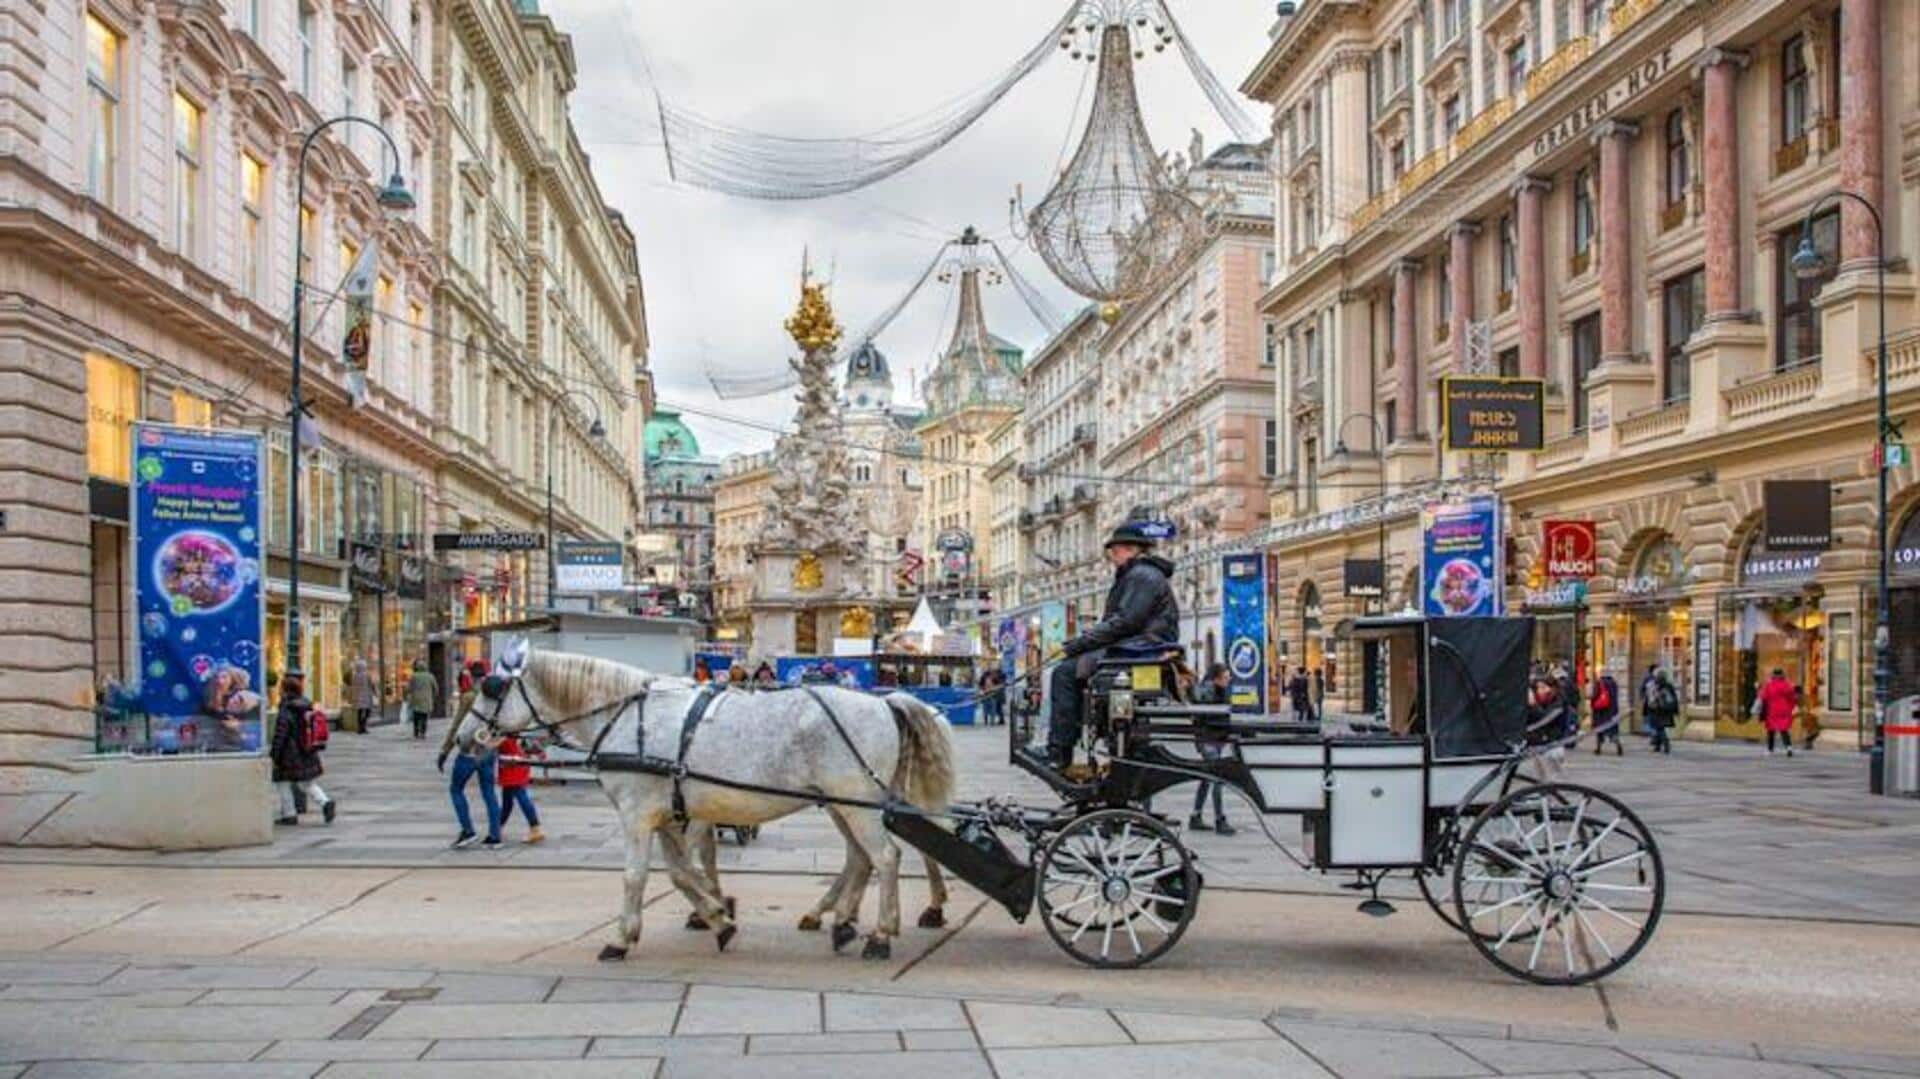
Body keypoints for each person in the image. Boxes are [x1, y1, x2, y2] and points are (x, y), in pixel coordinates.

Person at [1046, 520, 1179, 768]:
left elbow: (1125, 621)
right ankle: (1080, 741)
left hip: (1141, 647)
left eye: (1115, 551)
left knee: (1064, 673)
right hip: (1138, 644)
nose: (1112, 557)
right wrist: (1083, 643)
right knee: (1072, 668)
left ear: (1131, 549)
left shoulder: (1142, 575)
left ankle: (1059, 751)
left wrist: (1079, 644)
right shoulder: (1139, 574)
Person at [271, 671, 334, 825]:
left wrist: (274, 754)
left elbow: (281, 733)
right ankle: (325, 802)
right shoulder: (306, 704)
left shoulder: (286, 708)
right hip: (306, 750)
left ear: (284, 690)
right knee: (306, 782)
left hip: (289, 753)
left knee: (282, 782)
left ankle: (289, 814)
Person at [438, 696, 502, 848]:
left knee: (456, 789)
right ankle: (495, 836)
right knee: (489, 792)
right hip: (488, 751)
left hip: (469, 752)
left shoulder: (469, 698)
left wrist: (445, 751)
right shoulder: (497, 698)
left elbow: (457, 726)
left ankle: (468, 831)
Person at [1188, 662, 1235, 835]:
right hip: (1209, 739)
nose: (1229, 679)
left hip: (1214, 738)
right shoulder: (1209, 691)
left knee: (1207, 778)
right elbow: (1207, 714)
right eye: (1225, 677)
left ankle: (1196, 815)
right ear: (1216, 678)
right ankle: (1220, 819)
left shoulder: (1217, 690)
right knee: (1216, 778)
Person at [496, 733, 545, 844]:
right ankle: (497, 827)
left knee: (520, 796)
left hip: (512, 764)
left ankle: (535, 828)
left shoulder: (507, 729)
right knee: (507, 800)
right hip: (515, 763)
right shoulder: (516, 729)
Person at [1757, 667, 1800, 757]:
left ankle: (1770, 750)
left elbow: (1763, 697)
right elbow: (1792, 698)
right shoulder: (1787, 685)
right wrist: (1791, 707)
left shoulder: (1769, 685)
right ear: (1782, 675)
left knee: (1771, 731)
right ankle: (1788, 747)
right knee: (1784, 730)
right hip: (1784, 710)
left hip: (1772, 710)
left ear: (1773, 675)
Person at [1641, 666, 1679, 754]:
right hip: (1666, 710)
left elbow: (1649, 697)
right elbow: (1674, 698)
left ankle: (1665, 742)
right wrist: (1675, 710)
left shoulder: (1653, 685)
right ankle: (1657, 746)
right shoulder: (1668, 685)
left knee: (1658, 727)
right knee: (1659, 727)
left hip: (1655, 709)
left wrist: (1647, 707)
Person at [1589, 666, 1622, 755]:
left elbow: (1595, 695)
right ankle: (1617, 743)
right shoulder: (1614, 683)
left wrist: (1592, 704)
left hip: (1601, 711)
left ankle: (1598, 748)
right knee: (1612, 730)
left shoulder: (1599, 683)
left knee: (1600, 729)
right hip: (1613, 711)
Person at [406, 659, 438, 740]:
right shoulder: (430, 676)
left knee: (416, 717)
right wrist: (434, 696)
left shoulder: (414, 676)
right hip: (426, 700)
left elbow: (409, 688)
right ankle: (423, 733)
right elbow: (435, 688)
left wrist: (409, 694)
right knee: (424, 717)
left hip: (416, 700)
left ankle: (416, 733)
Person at [350, 656, 376, 735]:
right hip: (366, 695)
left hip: (358, 696)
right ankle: (363, 726)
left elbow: (352, 686)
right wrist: (375, 692)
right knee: (367, 711)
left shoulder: (354, 675)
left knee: (359, 712)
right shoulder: (367, 675)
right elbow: (372, 684)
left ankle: (360, 727)